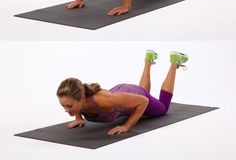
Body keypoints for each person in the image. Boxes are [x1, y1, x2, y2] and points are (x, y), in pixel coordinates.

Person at [57, 50, 188, 135]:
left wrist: (127, 126)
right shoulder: (79, 97)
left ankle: (174, 62)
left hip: (131, 93)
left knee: (161, 108)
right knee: (141, 93)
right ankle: (148, 60)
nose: (66, 110)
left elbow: (143, 101)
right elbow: (75, 102)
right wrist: (78, 118)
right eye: (63, 105)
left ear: (81, 98)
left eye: (69, 106)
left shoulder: (104, 101)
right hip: (121, 92)